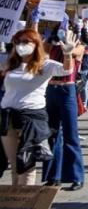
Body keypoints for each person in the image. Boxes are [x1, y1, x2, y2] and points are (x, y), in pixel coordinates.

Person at [2, 28, 82, 185]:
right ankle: (14, 202)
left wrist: (67, 54)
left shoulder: (45, 65)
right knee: (15, 165)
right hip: (7, 118)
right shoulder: (11, 64)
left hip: (30, 119)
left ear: (36, 44)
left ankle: (24, 202)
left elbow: (67, 69)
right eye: (17, 42)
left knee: (26, 164)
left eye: (26, 42)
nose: (20, 45)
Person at [42, 25, 86, 190]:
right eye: (60, 29)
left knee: (70, 133)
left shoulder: (78, 44)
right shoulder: (50, 44)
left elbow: (76, 53)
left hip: (67, 89)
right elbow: (41, 53)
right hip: (51, 89)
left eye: (66, 28)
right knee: (52, 134)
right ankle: (54, 176)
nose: (62, 32)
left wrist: (68, 45)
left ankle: (76, 176)